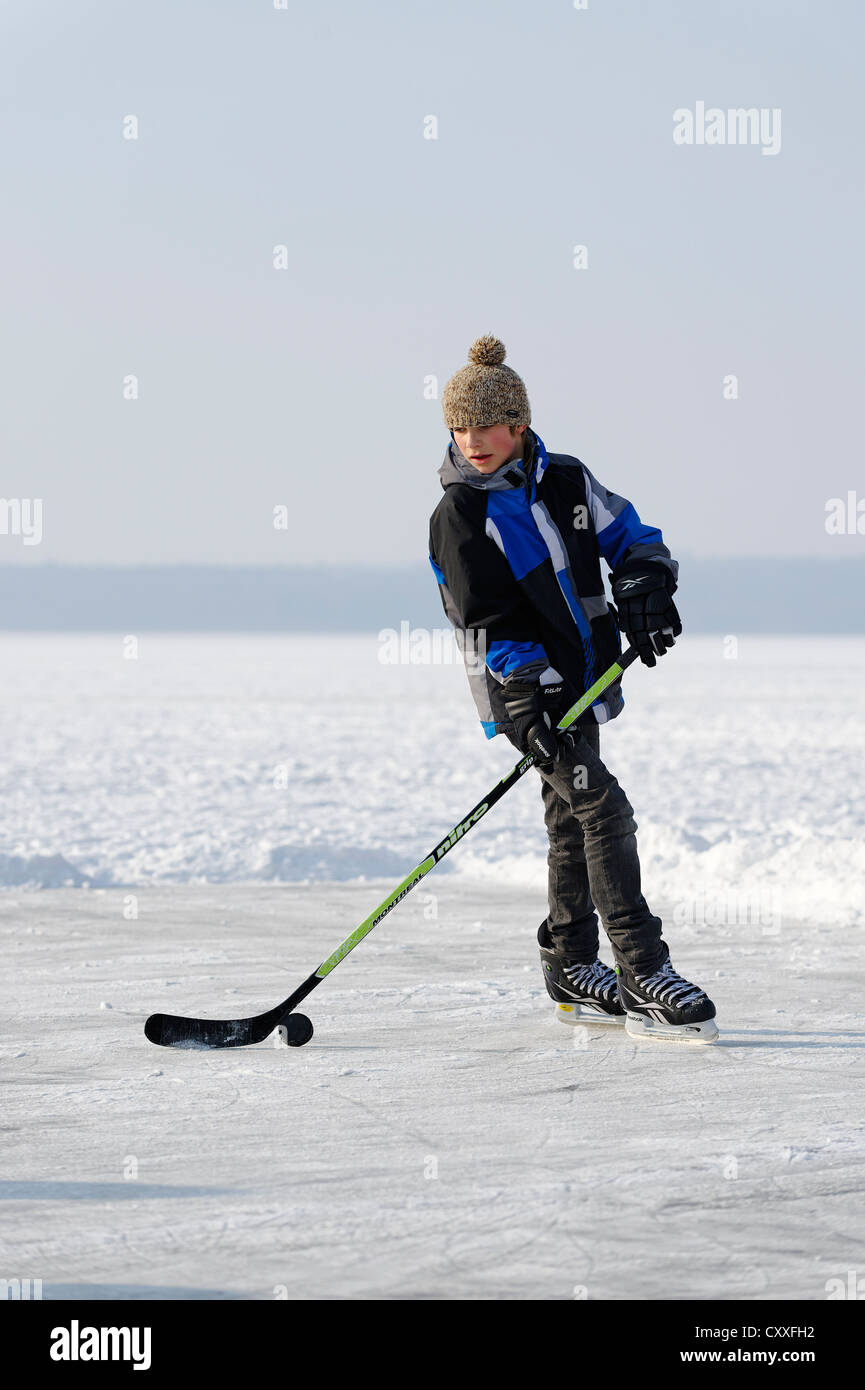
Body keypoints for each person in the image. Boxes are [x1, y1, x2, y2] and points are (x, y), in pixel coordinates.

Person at [428, 335, 718, 1043]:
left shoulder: (566, 479)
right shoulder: (461, 515)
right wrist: (526, 692)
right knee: (603, 808)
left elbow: (627, 534)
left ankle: (570, 963)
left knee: (569, 820)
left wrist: (646, 579)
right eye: (458, 428)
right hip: (525, 692)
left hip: (585, 681)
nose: (471, 441)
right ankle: (642, 970)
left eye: (484, 425)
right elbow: (483, 618)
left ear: (518, 424)